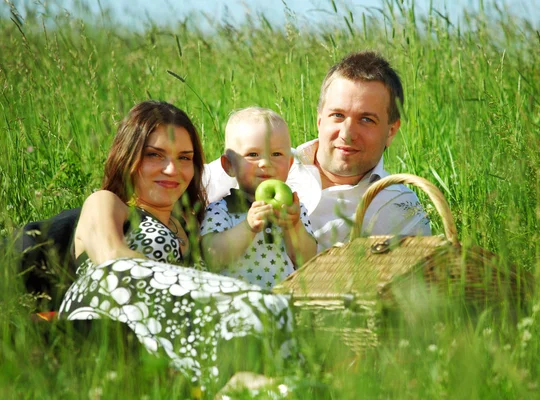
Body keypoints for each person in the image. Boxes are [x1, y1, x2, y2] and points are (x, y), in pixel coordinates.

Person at [58, 101, 295, 391]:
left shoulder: (192, 225)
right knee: (263, 308)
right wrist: (240, 300)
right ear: (128, 155)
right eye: (154, 155)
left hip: (171, 344)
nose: (172, 169)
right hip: (107, 323)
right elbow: (113, 262)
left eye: (184, 158)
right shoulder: (107, 202)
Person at [204, 51, 431, 252]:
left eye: (366, 119)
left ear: (391, 131)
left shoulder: (398, 206)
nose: (347, 133)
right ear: (320, 119)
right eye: (338, 116)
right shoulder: (259, 162)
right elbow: (179, 193)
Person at [200, 107, 317, 289]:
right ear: (229, 165)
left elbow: (309, 260)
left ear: (290, 163)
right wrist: (248, 227)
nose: (266, 163)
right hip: (237, 304)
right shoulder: (223, 208)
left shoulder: (293, 209)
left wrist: (293, 227)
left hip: (283, 304)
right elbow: (212, 257)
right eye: (253, 155)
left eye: (276, 154)